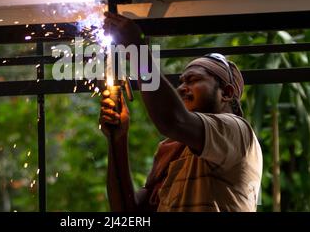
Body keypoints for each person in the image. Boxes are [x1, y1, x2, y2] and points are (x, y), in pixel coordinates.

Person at [99, 12, 263, 212]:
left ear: (226, 93)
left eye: (193, 80)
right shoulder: (171, 152)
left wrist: (137, 51)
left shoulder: (237, 132)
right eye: (181, 82)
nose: (181, 88)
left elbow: (172, 119)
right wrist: (117, 139)